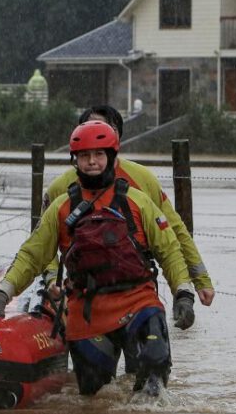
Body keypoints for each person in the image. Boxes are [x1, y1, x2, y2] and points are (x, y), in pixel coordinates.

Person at [0, 121, 196, 397]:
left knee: (155, 372)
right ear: (75, 161)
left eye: (99, 154)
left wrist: (183, 294)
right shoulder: (61, 208)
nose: (92, 161)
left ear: (112, 157)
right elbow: (32, 255)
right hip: (88, 311)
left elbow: (169, 250)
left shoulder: (138, 202)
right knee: (95, 398)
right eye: (84, 156)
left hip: (138, 302)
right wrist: (2, 293)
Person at [44, 105, 215, 323]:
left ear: (118, 138)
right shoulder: (60, 189)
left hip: (137, 294)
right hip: (85, 296)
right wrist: (51, 280)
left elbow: (175, 234)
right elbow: (42, 244)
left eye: (106, 129)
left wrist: (198, 282)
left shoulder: (144, 179)